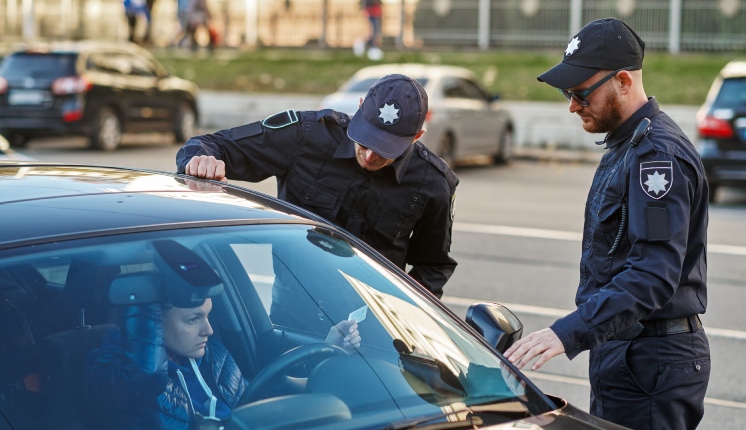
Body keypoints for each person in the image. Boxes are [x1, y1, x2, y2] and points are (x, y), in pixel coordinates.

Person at [503, 18, 710, 430]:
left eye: (581, 93)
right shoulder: (626, 143)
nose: (572, 105)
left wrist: (569, 332)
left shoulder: (656, 158)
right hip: (628, 351)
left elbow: (653, 275)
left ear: (623, 81)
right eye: (567, 92)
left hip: (650, 361)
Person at [176, 74, 459, 298]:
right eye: (366, 140)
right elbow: (212, 144)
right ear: (359, 107)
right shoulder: (306, 135)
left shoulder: (432, 183)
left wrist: (406, 307)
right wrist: (200, 161)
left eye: (386, 149)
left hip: (377, 322)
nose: (371, 156)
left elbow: (433, 266)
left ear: (417, 136)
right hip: (296, 306)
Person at [85, 298, 361, 429]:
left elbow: (259, 398)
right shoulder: (114, 371)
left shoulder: (211, 354)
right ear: (154, 321)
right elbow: (141, 382)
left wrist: (328, 352)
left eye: (208, 316)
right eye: (193, 319)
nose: (209, 330)